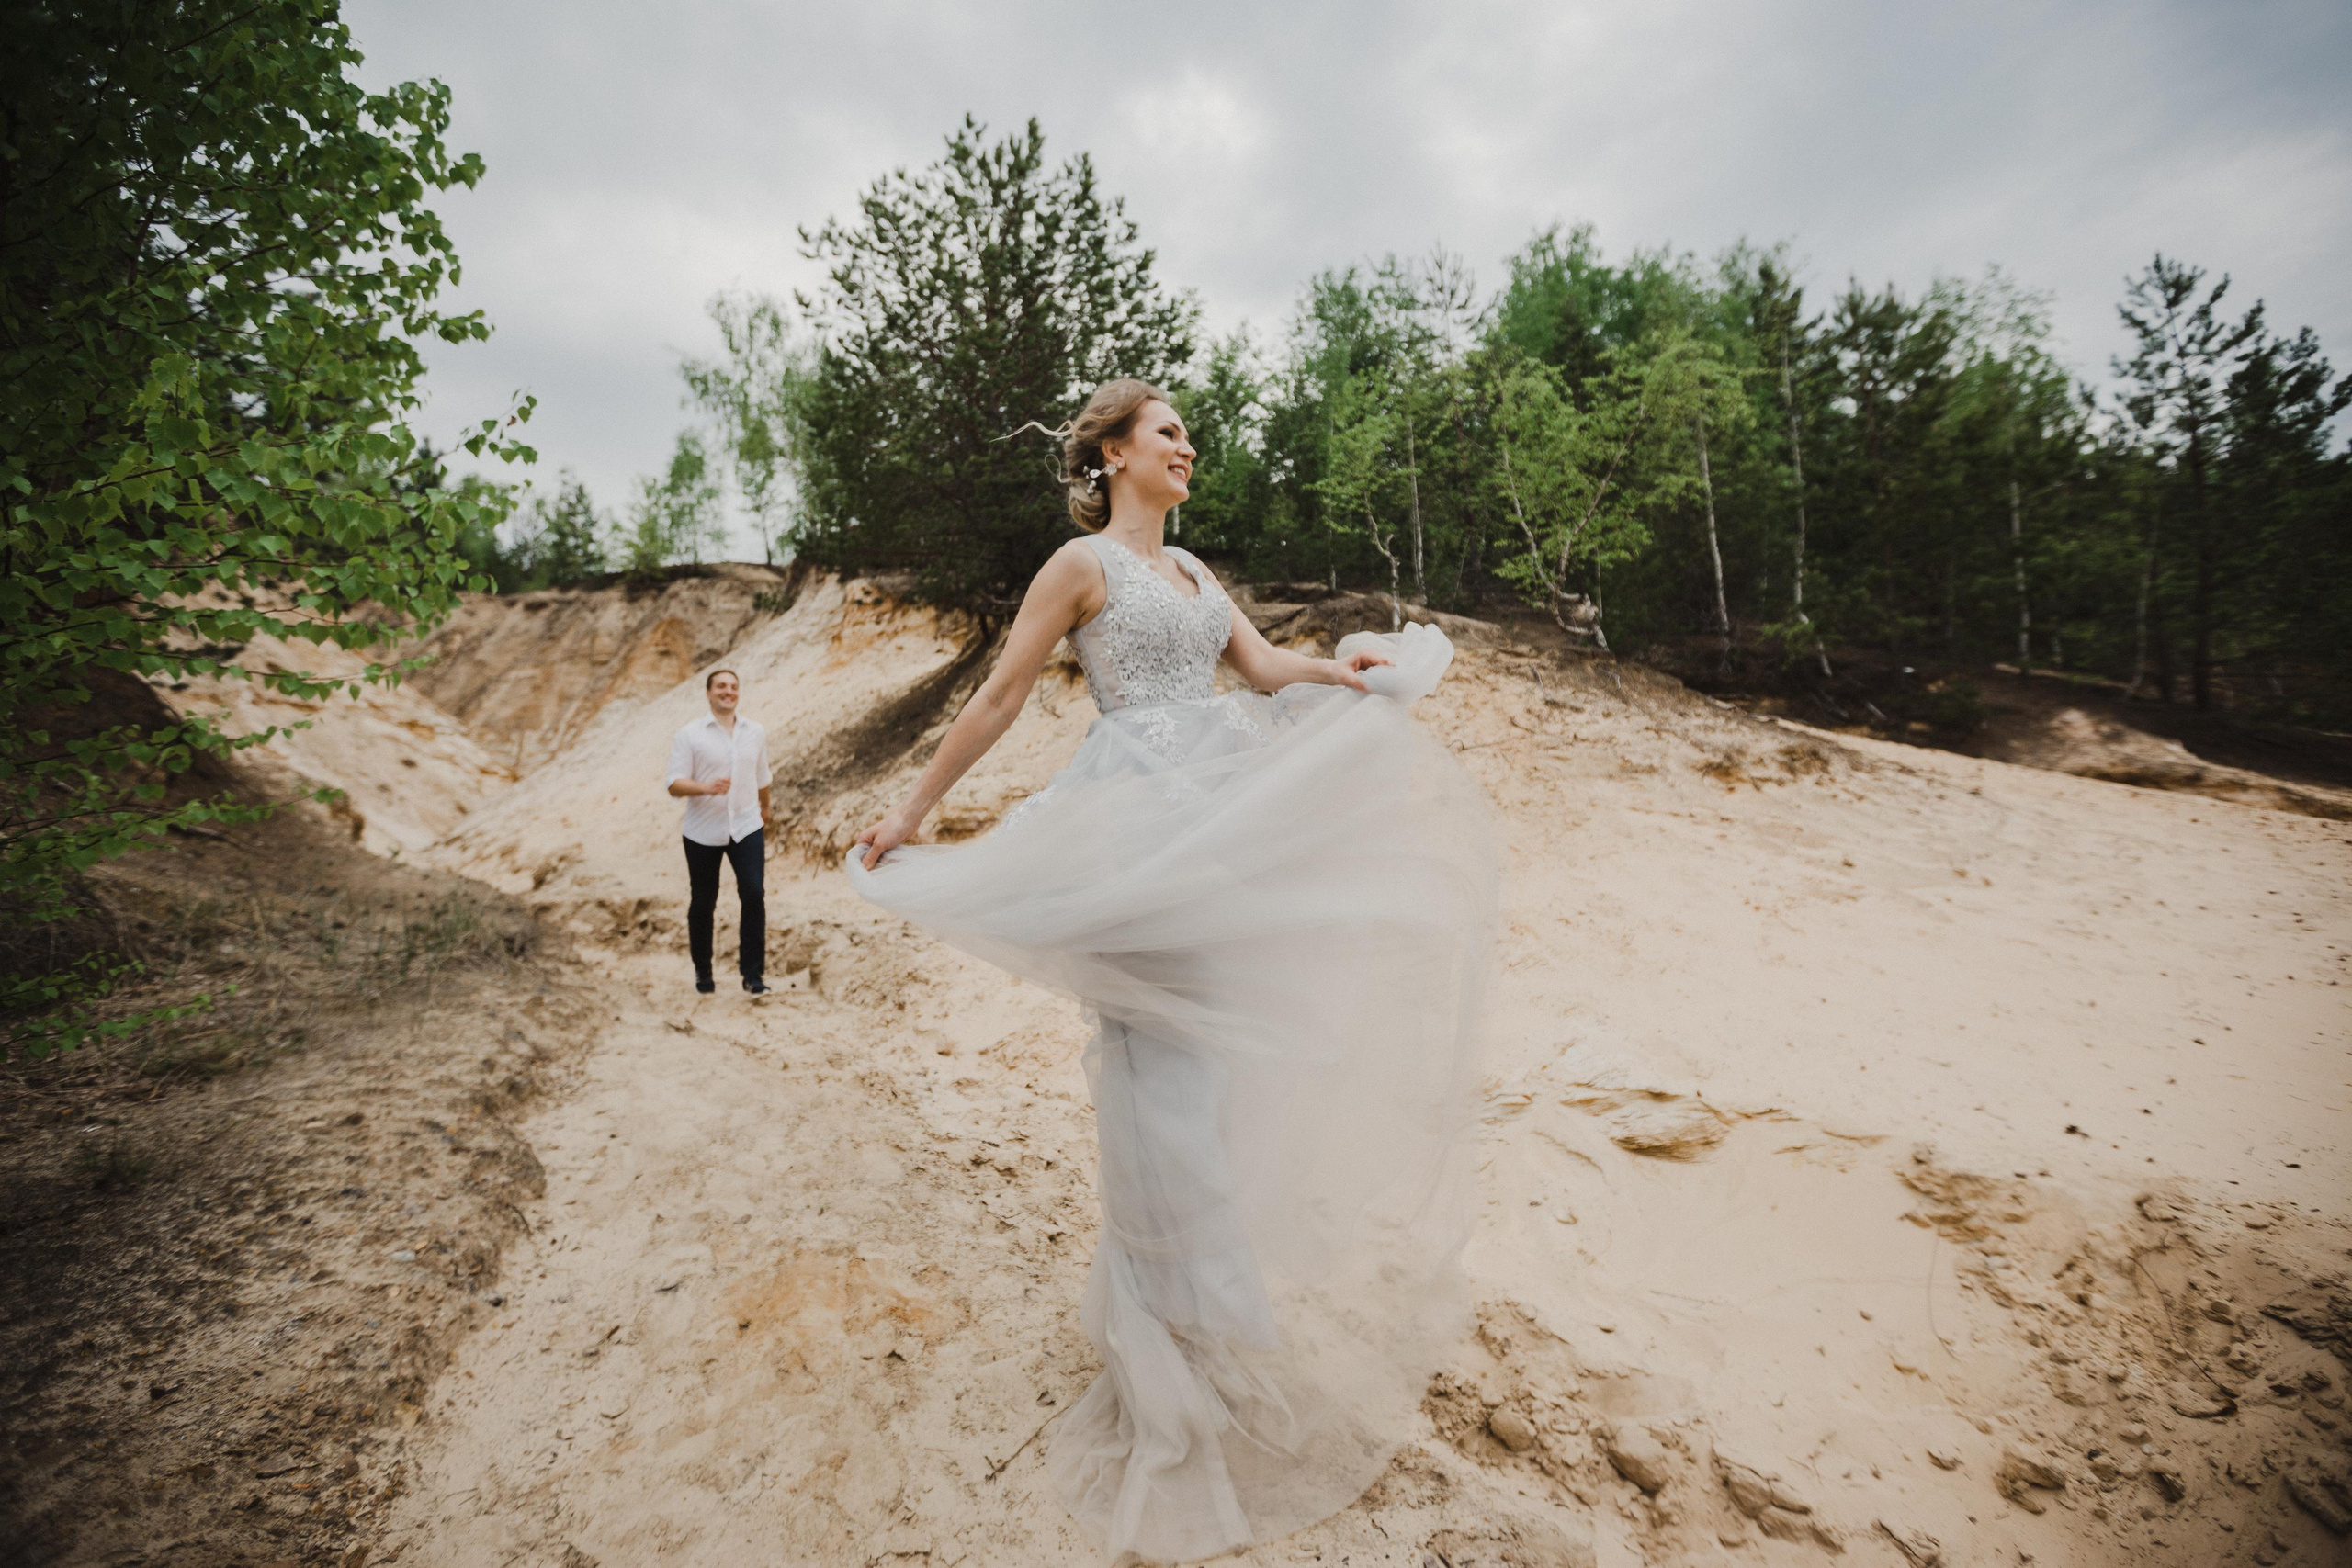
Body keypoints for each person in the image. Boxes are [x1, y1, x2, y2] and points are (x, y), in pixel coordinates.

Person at [848, 379, 1498, 1562]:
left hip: (1216, 815)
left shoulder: (1197, 571)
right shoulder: (1079, 564)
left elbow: (1257, 668)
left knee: (1216, 1055)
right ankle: (1167, 1334)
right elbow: (998, 696)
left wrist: (1346, 674)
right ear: (1110, 453)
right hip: (1132, 821)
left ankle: (1201, 1308)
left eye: (1187, 434)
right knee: (1157, 1068)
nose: (1187, 446)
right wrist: (909, 813)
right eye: (1166, 432)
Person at [664, 668, 773, 995]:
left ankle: (753, 976)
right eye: (721, 686)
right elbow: (674, 784)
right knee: (703, 901)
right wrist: (706, 787)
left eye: (734, 686)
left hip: (746, 825)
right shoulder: (689, 734)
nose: (728, 691)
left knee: (753, 894)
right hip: (702, 832)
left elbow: (762, 776)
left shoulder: (755, 731)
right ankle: (703, 972)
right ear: (709, 693)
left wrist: (765, 808)